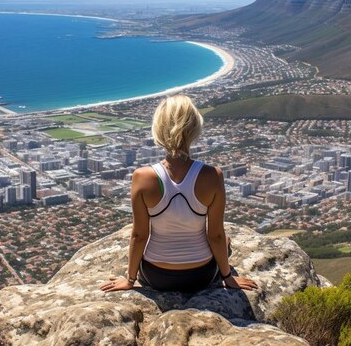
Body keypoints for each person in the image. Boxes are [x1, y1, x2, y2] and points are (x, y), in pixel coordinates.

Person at [100, 95, 257, 293]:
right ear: (194, 129)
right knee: (225, 241)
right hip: (201, 275)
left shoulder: (142, 176)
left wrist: (130, 280)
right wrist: (228, 277)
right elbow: (215, 235)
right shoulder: (212, 175)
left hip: (155, 275)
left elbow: (139, 235)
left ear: (158, 129)